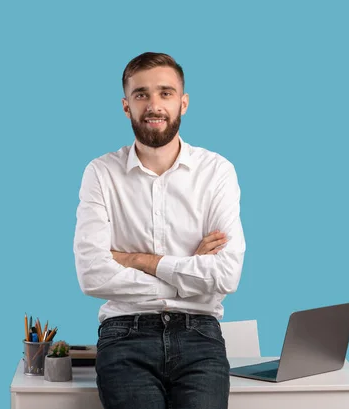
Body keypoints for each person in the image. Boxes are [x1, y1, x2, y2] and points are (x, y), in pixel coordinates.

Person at [73, 51, 246, 409]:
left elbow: (227, 275)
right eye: (142, 94)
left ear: (183, 102)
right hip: (124, 333)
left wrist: (136, 259)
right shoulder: (100, 173)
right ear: (126, 106)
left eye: (165, 93)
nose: (154, 105)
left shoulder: (217, 172)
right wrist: (187, 271)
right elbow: (92, 275)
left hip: (200, 333)